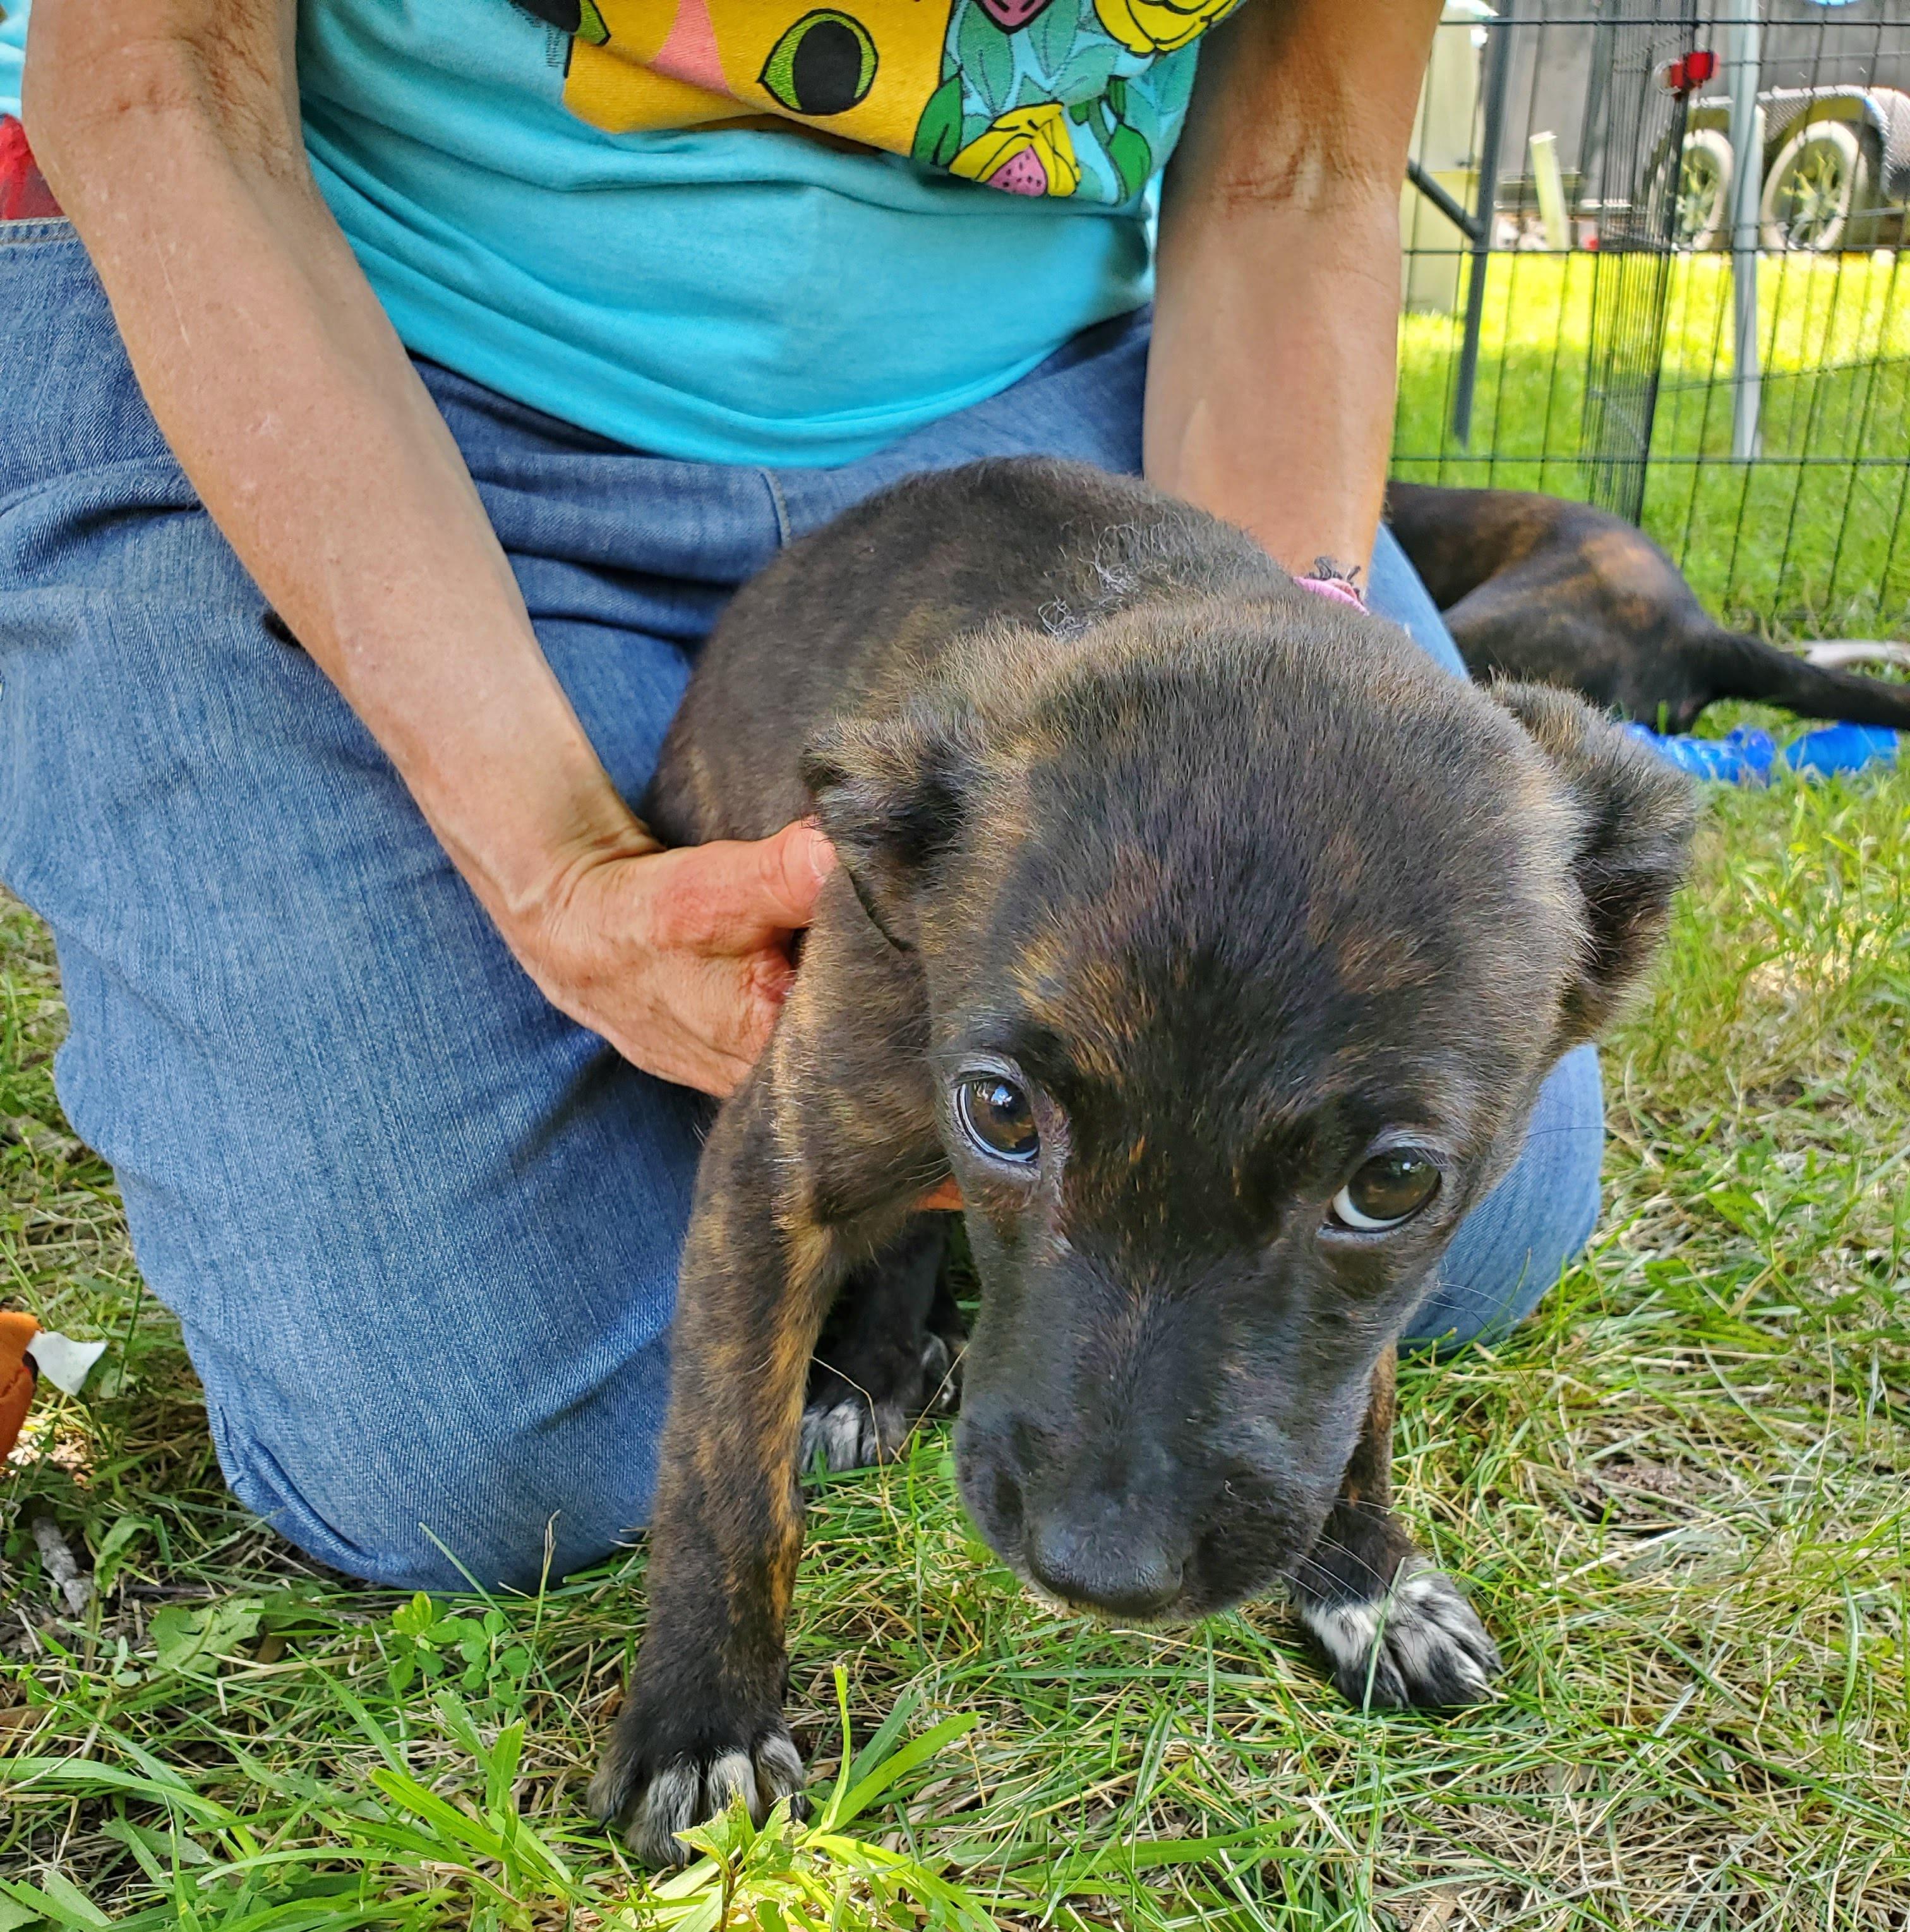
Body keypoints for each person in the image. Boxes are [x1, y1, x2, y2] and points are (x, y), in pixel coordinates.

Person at [0, 0, 1603, 1592]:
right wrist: (551, 865)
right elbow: (160, 83)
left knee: (1490, 1206)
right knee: (475, 1448)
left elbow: (1300, 164)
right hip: (366, 331)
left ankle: (997, 1224)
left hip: (1037, 397)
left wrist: (1279, 682)